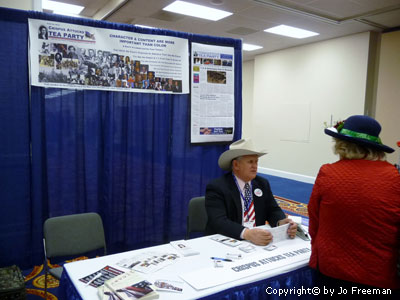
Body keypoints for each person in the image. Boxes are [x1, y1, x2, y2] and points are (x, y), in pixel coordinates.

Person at [308, 115, 400, 296]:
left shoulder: (328, 172)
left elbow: (314, 221)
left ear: (342, 145)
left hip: (331, 271)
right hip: (378, 277)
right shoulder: (395, 178)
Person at [205, 138, 297, 245]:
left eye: (256, 162)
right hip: (227, 240)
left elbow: (272, 210)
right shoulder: (218, 187)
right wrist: (247, 233)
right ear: (236, 165)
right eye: (250, 162)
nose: (255, 166)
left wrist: (281, 222)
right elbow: (219, 222)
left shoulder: (262, 183)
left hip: (257, 240)